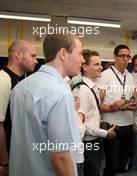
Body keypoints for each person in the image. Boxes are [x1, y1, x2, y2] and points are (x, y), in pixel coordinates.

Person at [9, 34, 84, 176]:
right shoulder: (60, 92)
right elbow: (60, 156)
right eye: (80, 54)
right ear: (63, 54)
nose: (82, 59)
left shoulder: (20, 87)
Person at [72, 50, 117, 176]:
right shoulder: (82, 90)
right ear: (85, 67)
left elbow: (92, 115)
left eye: (101, 64)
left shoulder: (93, 88)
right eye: (96, 64)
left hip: (96, 141)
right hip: (87, 143)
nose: (101, 67)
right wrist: (106, 133)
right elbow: (81, 125)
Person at [97, 44, 137, 176]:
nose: (125, 59)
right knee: (112, 166)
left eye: (128, 56)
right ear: (115, 56)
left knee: (123, 165)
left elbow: (136, 102)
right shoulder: (105, 75)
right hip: (112, 126)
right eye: (122, 56)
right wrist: (114, 107)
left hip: (128, 125)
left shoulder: (130, 76)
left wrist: (123, 102)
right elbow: (98, 104)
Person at [0, 40, 37, 176]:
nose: (36, 60)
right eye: (32, 56)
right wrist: (4, 161)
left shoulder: (22, 81)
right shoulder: (3, 79)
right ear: (18, 55)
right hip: (7, 157)